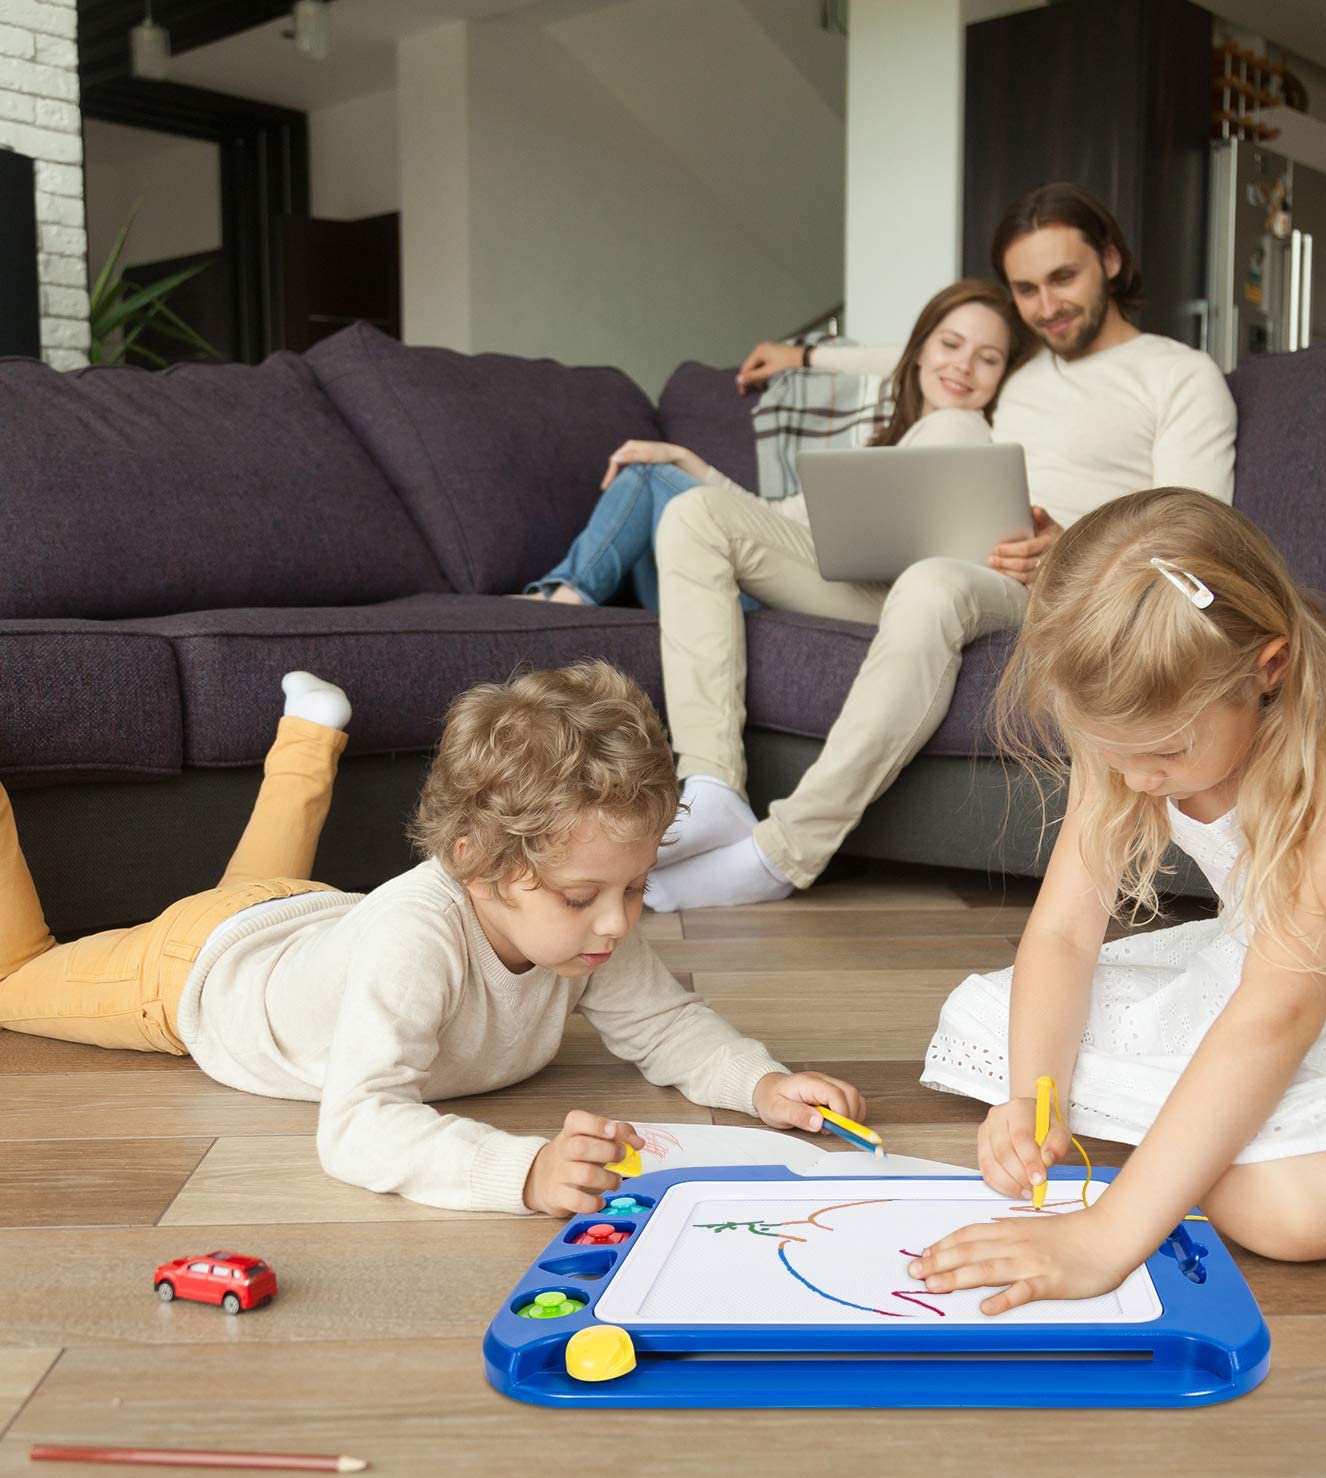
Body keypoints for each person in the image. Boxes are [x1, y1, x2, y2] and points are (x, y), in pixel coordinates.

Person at [910, 489, 1326, 1314]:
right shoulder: (1126, 726)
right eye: (1116, 753)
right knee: (995, 1022)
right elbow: (1067, 934)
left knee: (1284, 1210)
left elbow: (1278, 1015)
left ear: (1268, 669)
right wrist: (1028, 1099)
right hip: (1270, 971)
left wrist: (1109, 1235)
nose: (1137, 778)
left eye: (1163, 751)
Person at [0, 664, 866, 1217]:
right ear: (478, 864)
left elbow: (666, 1025)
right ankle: (303, 734)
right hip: (193, 973)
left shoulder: (584, 929)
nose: (618, 920)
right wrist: (520, 1172)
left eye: (635, 887)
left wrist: (760, 1082)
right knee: (15, 978)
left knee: (248, 887)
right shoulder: (417, 940)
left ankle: (308, 733)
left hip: (305, 913)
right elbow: (360, 1126)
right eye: (583, 895)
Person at [648, 184, 1238, 912]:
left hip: (1054, 590)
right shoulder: (1015, 369)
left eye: (1064, 278)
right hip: (936, 564)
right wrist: (802, 353)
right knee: (698, 516)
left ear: (1111, 260)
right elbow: (925, 350)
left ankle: (784, 852)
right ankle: (709, 786)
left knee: (932, 584)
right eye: (1026, 289)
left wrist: (1069, 548)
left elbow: (1196, 535)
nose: (1047, 305)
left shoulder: (1178, 375)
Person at [521, 278, 1011, 609]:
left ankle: (563, 599)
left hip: (789, 587)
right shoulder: (892, 440)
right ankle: (567, 597)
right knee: (653, 472)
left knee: (649, 474)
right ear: (920, 349)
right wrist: (689, 459)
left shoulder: (960, 430)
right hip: (762, 570)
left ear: (1004, 374)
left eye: (987, 358)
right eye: (950, 345)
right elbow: (778, 519)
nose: (963, 367)